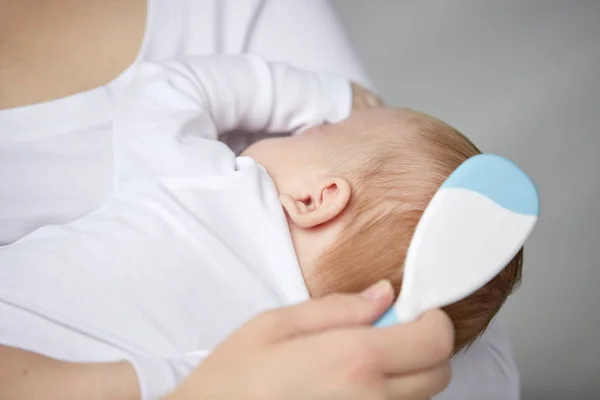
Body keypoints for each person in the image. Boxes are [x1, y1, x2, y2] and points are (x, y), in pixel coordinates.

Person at [0, 1, 520, 399]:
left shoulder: (211, 186)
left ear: (317, 199)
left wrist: (327, 96)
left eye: (316, 131)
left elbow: (169, 87)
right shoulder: (305, 362)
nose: (303, 125)